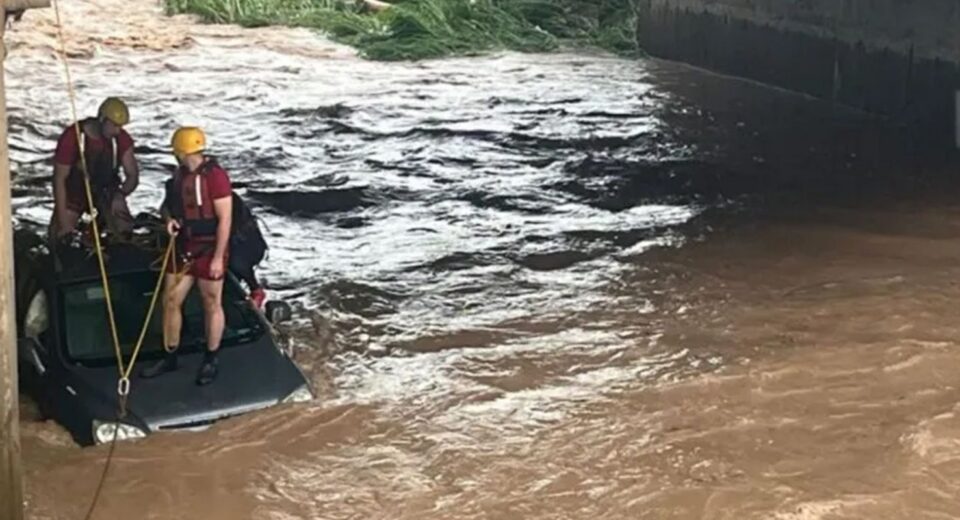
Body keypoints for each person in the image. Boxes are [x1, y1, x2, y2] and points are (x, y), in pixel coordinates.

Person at [141, 127, 231, 385]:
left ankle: (211, 358)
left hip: (209, 248)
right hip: (184, 247)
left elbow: (225, 219)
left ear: (181, 151)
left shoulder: (216, 177)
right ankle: (170, 356)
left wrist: (217, 258)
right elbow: (166, 206)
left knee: (211, 302)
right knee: (170, 300)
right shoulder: (179, 177)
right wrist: (169, 220)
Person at [49, 97, 139, 240]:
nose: (118, 131)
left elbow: (132, 175)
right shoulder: (73, 137)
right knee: (61, 233)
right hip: (75, 190)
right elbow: (59, 179)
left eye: (120, 127)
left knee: (123, 225)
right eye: (114, 125)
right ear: (102, 119)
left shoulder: (121, 139)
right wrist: (64, 222)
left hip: (106, 190)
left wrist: (120, 195)